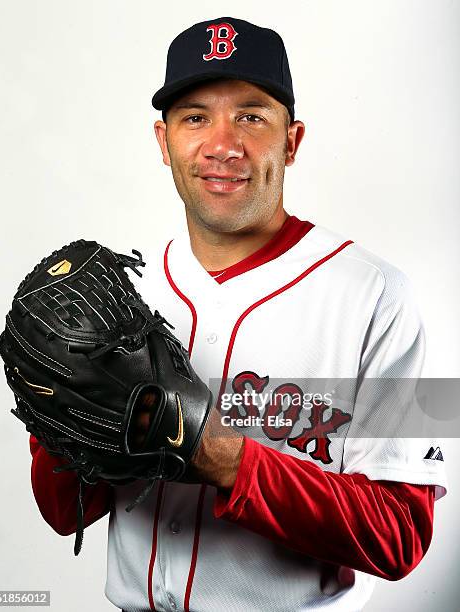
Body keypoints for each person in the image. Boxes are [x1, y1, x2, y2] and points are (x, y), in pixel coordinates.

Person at [29, 16, 447, 611]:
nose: (222, 144)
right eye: (195, 117)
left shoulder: (384, 296)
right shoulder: (123, 292)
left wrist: (222, 456)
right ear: (163, 140)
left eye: (250, 116)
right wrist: (59, 428)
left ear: (292, 140)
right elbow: (61, 514)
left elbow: (404, 534)